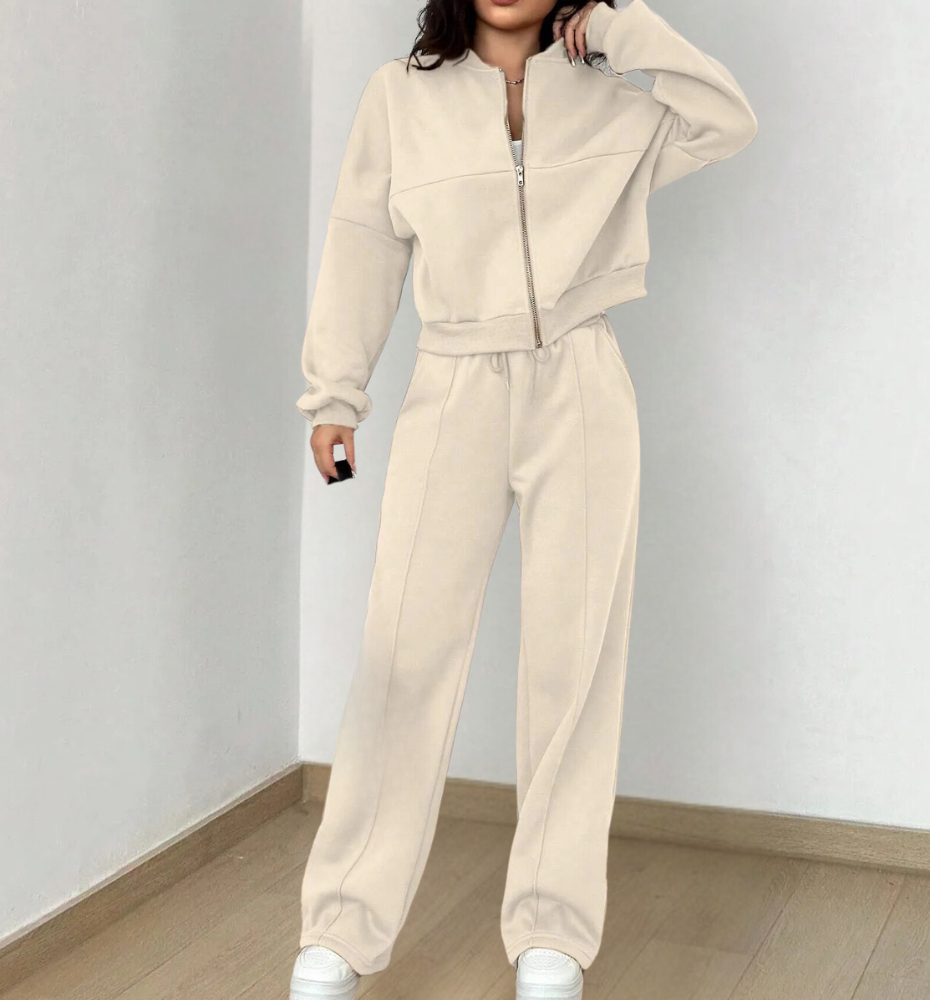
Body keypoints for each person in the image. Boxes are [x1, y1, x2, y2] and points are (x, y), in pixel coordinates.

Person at [289, 1, 757, 997]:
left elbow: (726, 118)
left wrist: (623, 30)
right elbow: (362, 241)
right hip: (451, 384)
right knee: (403, 656)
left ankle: (552, 932)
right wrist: (335, 394)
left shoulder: (611, 99)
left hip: (581, 383)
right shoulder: (398, 97)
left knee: (574, 661)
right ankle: (342, 927)